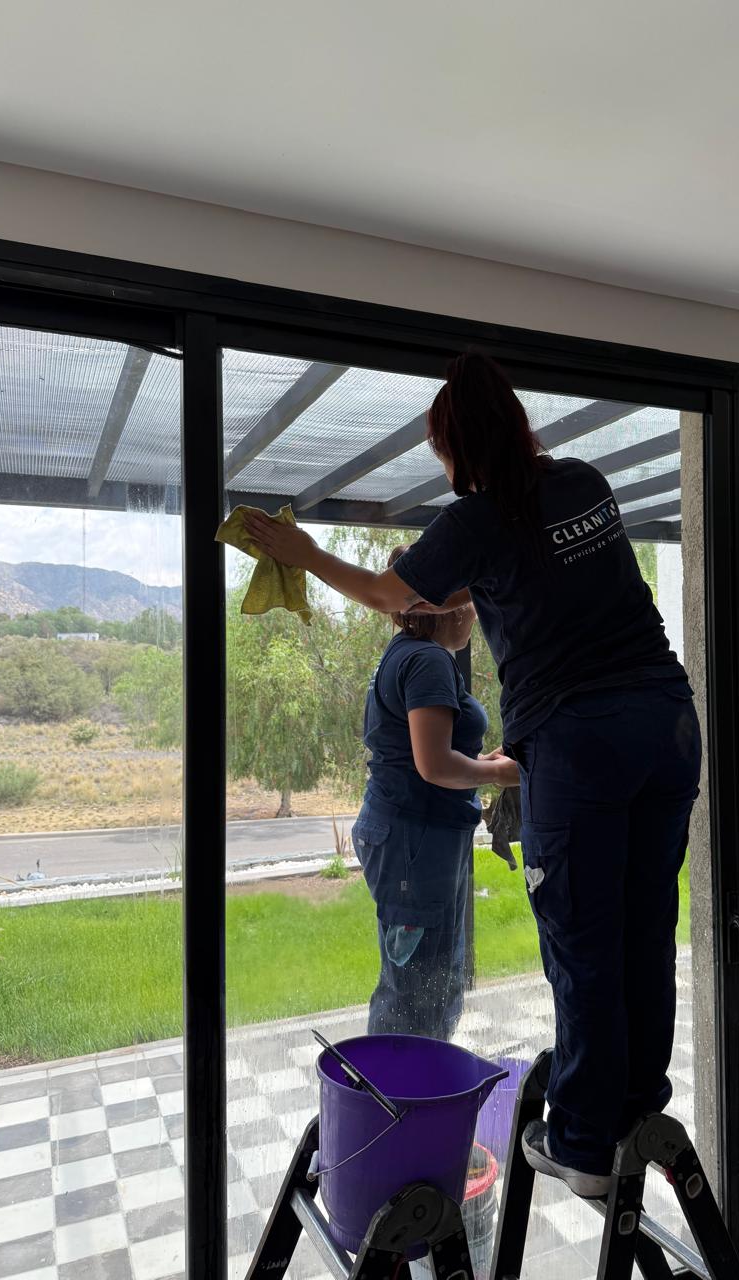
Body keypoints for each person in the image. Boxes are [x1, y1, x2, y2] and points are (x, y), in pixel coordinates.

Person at [245, 352, 701, 1198]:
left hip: (583, 738)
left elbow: (390, 595)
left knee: (582, 940)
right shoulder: (582, 481)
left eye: (441, 452)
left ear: (456, 447)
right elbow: (549, 590)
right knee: (644, 926)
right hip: (670, 724)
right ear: (519, 423)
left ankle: (587, 1144)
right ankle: (638, 1103)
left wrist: (302, 551)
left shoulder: (480, 519)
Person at [353, 546, 490, 1040]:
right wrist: (503, 776)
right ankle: (405, 1106)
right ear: (442, 604)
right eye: (468, 597)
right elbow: (433, 766)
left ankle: (411, 1100)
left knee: (420, 982)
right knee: (419, 993)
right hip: (416, 839)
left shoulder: (410, 655)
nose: (474, 608)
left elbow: (426, 755)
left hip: (412, 834)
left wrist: (483, 766)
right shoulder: (428, 660)